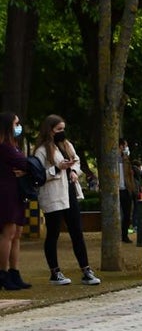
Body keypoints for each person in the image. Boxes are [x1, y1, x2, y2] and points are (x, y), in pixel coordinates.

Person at [33, 115, 101, 286]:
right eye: (58, 130)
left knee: (77, 232)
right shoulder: (41, 151)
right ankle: (55, 272)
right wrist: (57, 168)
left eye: (63, 129)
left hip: (69, 192)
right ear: (49, 131)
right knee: (53, 233)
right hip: (53, 195)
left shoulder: (66, 144)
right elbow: (39, 176)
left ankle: (86, 270)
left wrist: (73, 171)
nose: (62, 133)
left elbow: (76, 161)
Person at [0, 112, 33, 291]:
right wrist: (28, 167)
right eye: (16, 123)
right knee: (9, 232)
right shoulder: (5, 147)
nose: (19, 126)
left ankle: (14, 271)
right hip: (6, 192)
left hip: (17, 192)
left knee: (17, 233)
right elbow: (25, 163)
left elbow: (25, 164)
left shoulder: (14, 145)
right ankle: (3, 273)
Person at [117, 138, 136, 243]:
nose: (126, 148)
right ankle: (117, 235)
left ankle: (124, 235)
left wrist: (132, 189)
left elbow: (130, 176)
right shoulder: (113, 159)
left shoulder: (126, 159)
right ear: (121, 146)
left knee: (127, 213)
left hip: (126, 189)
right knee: (117, 214)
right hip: (116, 190)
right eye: (125, 145)